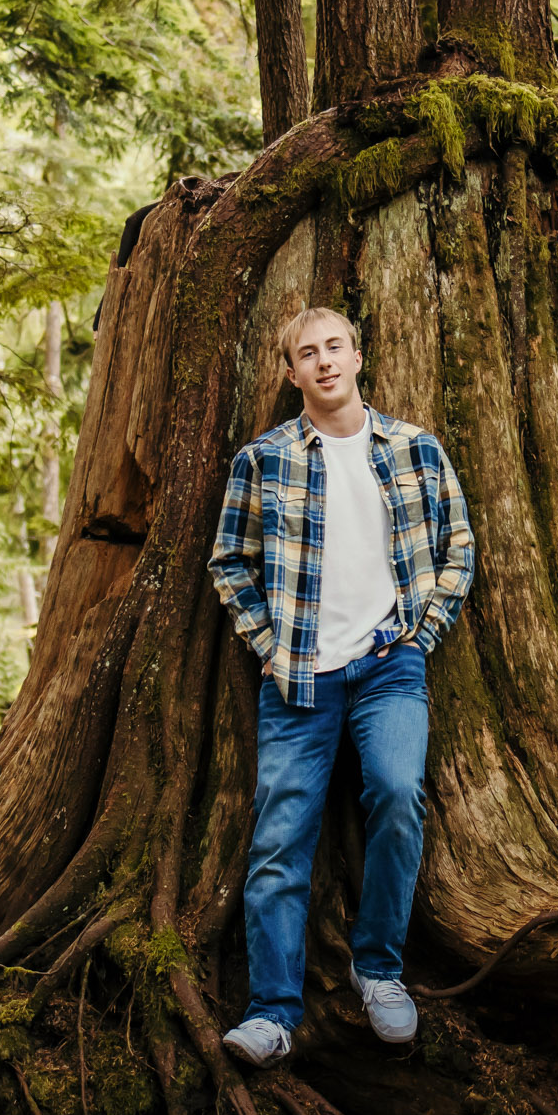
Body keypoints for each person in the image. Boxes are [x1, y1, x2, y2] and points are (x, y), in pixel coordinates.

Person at [207, 306, 476, 1067]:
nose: (324, 362)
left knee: (397, 794)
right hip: (299, 679)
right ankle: (271, 1013)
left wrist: (422, 632)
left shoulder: (415, 449)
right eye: (307, 353)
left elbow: (461, 541)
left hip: (391, 666)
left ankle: (379, 967)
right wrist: (266, 641)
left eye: (335, 348)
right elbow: (229, 560)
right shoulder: (262, 460)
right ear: (291, 372)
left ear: (358, 356)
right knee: (278, 840)